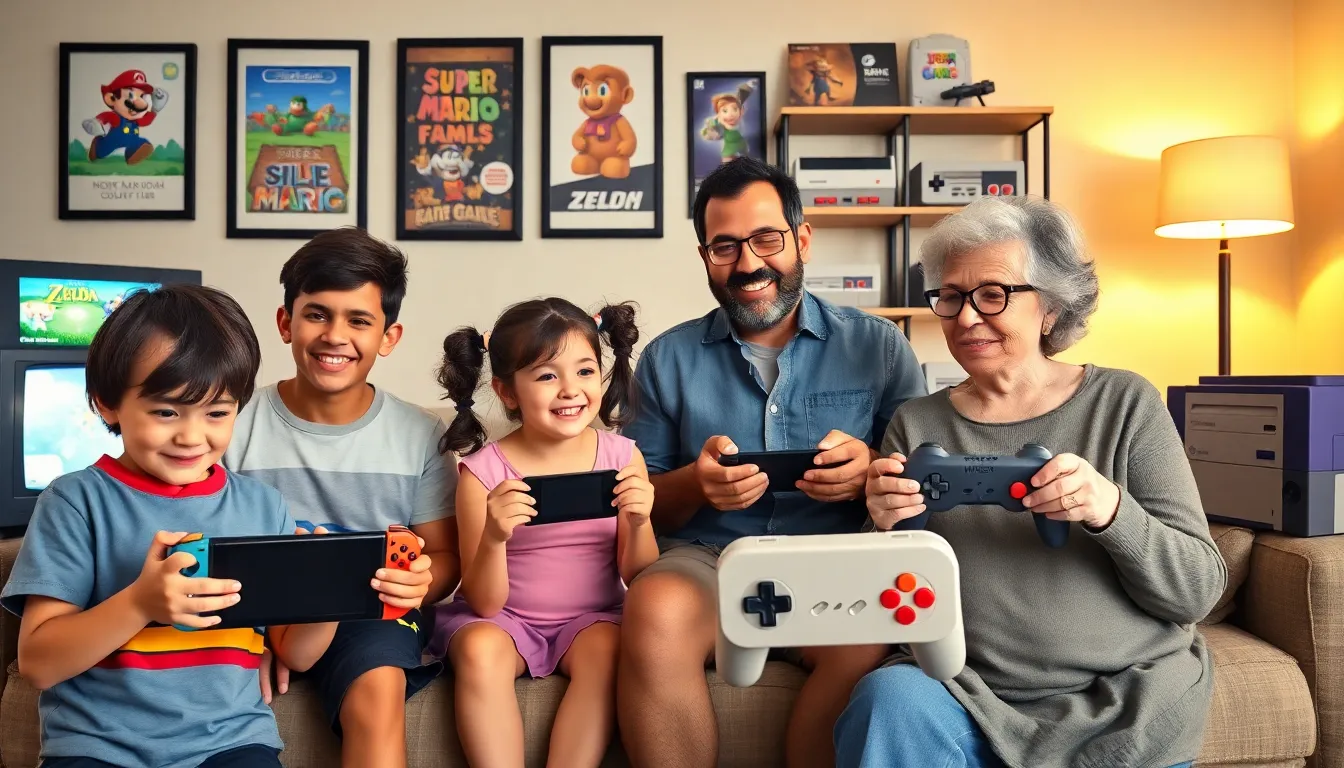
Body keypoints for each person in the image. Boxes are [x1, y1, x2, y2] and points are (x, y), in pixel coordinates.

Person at [842, 195, 1227, 768]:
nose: (966, 318)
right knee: (889, 698)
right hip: (964, 695)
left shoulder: (1126, 403)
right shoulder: (916, 424)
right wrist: (880, 526)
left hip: (1125, 697)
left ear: (1050, 306)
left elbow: (1196, 592)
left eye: (992, 294)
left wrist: (1109, 509)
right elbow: (881, 599)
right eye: (951, 297)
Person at [616, 156, 929, 768]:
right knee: (653, 608)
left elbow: (919, 484)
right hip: (707, 561)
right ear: (704, 256)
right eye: (725, 247)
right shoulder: (665, 359)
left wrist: (869, 471)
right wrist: (697, 483)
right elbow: (640, 504)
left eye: (766, 239)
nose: (748, 263)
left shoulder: (881, 346)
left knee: (873, 639)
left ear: (802, 239)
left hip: (838, 564)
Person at [0, 284, 341, 768]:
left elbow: (297, 653)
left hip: (231, 744)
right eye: (166, 411)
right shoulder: (75, 501)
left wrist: (328, 597)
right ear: (106, 403)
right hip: (97, 748)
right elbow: (38, 663)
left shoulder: (264, 507)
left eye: (217, 413)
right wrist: (140, 603)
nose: (191, 436)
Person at [223, 227, 460, 768]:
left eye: (358, 320)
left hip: (369, 612)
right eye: (317, 314)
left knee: (379, 688)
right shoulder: (230, 423)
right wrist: (251, 635)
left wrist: (421, 581)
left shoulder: (421, 434)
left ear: (389, 337)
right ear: (286, 322)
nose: (335, 336)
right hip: (257, 604)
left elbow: (445, 556)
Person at [429, 297, 658, 767]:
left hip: (593, 617)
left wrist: (639, 521)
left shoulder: (622, 457)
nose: (570, 390)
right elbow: (484, 602)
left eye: (585, 371)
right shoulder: (482, 473)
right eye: (547, 376)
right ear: (507, 391)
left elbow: (638, 576)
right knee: (479, 649)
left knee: (609, 649)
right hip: (503, 618)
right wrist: (494, 537)